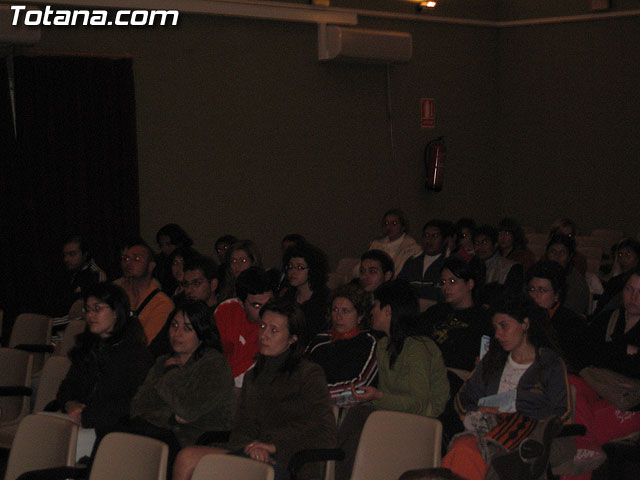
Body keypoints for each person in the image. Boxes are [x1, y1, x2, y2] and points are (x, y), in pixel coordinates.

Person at [172, 298, 337, 480]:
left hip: (290, 460)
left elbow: (325, 431)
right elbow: (242, 429)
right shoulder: (253, 376)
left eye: (273, 330)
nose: (263, 335)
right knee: (186, 458)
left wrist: (272, 446)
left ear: (292, 338)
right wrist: (251, 449)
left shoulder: (308, 374)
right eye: (262, 327)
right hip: (250, 455)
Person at [441, 295, 571, 480]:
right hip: (488, 430)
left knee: (472, 453)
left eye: (504, 326)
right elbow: (463, 399)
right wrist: (477, 409)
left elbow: (563, 414)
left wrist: (521, 421)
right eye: (495, 328)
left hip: (526, 438)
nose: (497, 334)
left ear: (525, 324)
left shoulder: (549, 364)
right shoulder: (493, 360)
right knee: (462, 449)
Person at [336, 279, 449, 480]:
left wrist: (377, 396)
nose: (372, 311)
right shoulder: (384, 345)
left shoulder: (418, 348)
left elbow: (418, 403)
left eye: (376, 305)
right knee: (354, 415)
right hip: (391, 416)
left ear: (387, 310)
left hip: (421, 422)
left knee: (357, 435)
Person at [129, 301, 234, 464]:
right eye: (174, 325)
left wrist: (171, 373)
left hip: (197, 440)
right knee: (119, 435)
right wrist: (170, 417)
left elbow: (186, 409)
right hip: (162, 431)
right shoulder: (163, 361)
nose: (177, 334)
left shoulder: (214, 364)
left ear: (202, 333)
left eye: (187, 329)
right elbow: (138, 405)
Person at [54, 283, 153, 455]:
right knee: (35, 428)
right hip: (78, 421)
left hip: (111, 432)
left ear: (115, 312)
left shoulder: (135, 354)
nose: (91, 315)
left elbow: (129, 404)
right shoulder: (88, 347)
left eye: (97, 309)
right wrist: (70, 404)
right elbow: (67, 386)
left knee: (51, 443)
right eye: (88, 309)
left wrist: (87, 416)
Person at [307, 284, 377, 406]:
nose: (338, 317)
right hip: (311, 403)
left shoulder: (368, 343)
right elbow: (300, 372)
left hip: (348, 407)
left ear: (360, 316)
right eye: (335, 310)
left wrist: (316, 394)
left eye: (345, 311)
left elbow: (361, 386)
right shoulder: (319, 341)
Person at [421, 256, 490, 372]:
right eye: (443, 282)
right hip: (426, 368)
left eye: (452, 282)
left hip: (456, 374)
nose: (445, 287)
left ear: (470, 284)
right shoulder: (435, 311)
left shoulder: (482, 318)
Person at [214, 267, 273, 387]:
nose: (265, 311)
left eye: (269, 303)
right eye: (257, 305)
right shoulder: (226, 311)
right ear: (240, 303)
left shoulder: (280, 320)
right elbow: (214, 354)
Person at [525, 260, 586, 372]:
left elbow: (569, 364)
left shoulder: (572, 324)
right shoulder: (522, 316)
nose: (535, 296)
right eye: (532, 289)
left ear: (557, 295)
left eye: (542, 290)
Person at [114, 237, 174, 345]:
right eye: (126, 259)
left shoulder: (162, 303)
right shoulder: (116, 291)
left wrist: (131, 311)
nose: (129, 263)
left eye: (136, 259)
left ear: (151, 266)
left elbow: (145, 344)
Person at [282, 243, 330, 340]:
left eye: (300, 267)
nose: (293, 272)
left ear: (312, 270)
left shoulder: (325, 299)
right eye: (290, 266)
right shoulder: (288, 297)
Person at [397, 219, 449, 303]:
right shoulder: (412, 262)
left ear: (445, 240)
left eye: (435, 236)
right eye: (426, 235)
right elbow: (400, 287)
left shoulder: (449, 263)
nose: (429, 240)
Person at [473, 224, 524, 307]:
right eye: (476, 243)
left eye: (484, 242)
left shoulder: (511, 267)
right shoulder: (471, 265)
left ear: (495, 244)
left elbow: (511, 299)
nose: (480, 247)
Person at [367, 209, 422, 277]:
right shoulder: (376, 244)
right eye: (386, 223)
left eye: (394, 224)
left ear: (403, 227)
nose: (388, 227)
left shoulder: (412, 249)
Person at [60, 234, 107, 313]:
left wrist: (51, 323)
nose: (66, 259)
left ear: (85, 254)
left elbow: (90, 312)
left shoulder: (95, 275)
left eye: (72, 254)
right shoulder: (68, 273)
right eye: (65, 255)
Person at [545, 234, 590, 315]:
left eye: (562, 252)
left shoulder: (577, 284)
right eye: (553, 251)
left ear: (570, 256)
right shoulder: (540, 275)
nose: (557, 256)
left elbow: (570, 314)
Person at [594, 238, 640, 315]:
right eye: (620, 255)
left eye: (628, 255)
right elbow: (601, 307)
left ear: (638, 257)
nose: (623, 259)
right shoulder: (614, 281)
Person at [155, 224, 194, 296]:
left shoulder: (191, 259)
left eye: (168, 244)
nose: (164, 249)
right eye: (161, 245)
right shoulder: (159, 263)